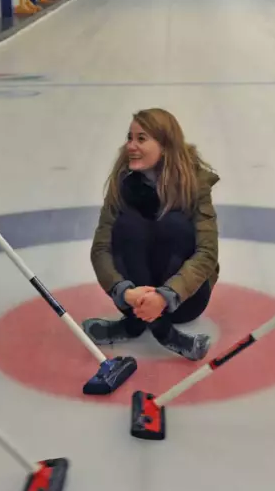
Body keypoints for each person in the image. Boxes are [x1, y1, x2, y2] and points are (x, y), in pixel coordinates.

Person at [85, 110, 219, 361]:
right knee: (127, 226)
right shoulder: (123, 181)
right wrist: (124, 291)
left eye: (141, 139)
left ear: (165, 146)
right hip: (133, 299)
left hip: (184, 301)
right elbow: (100, 248)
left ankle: (135, 326)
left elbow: (207, 252)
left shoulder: (194, 182)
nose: (131, 146)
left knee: (175, 224)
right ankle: (164, 333)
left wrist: (166, 296)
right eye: (130, 137)